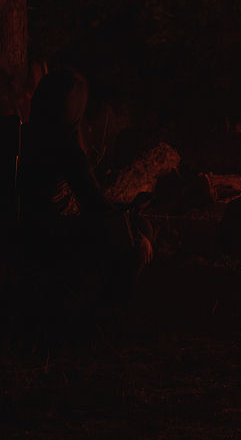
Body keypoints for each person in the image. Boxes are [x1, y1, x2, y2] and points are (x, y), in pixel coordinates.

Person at [16, 68, 152, 306]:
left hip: (19, 229)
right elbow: (96, 207)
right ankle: (106, 318)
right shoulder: (64, 149)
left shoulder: (19, 135)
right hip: (48, 237)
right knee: (138, 242)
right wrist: (135, 230)